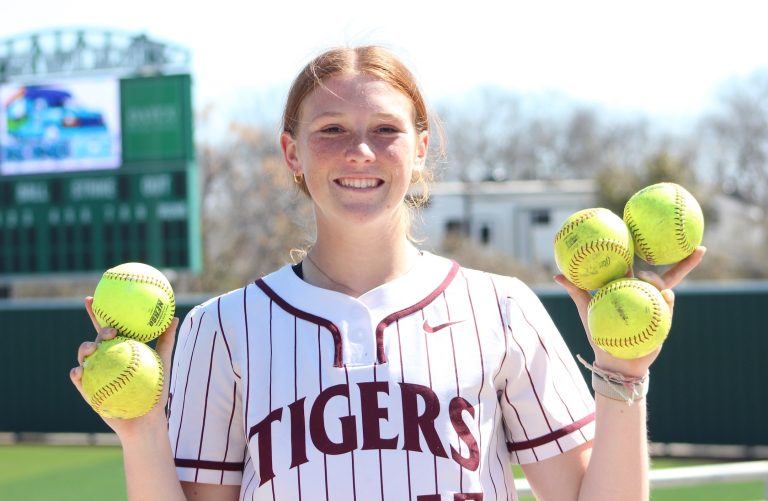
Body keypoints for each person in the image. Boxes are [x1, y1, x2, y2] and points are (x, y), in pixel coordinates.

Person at [70, 45, 705, 501]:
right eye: (331, 129)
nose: (360, 151)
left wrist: (622, 374)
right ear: (291, 151)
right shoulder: (220, 330)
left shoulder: (503, 309)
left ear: (421, 146)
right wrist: (141, 434)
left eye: (385, 129)